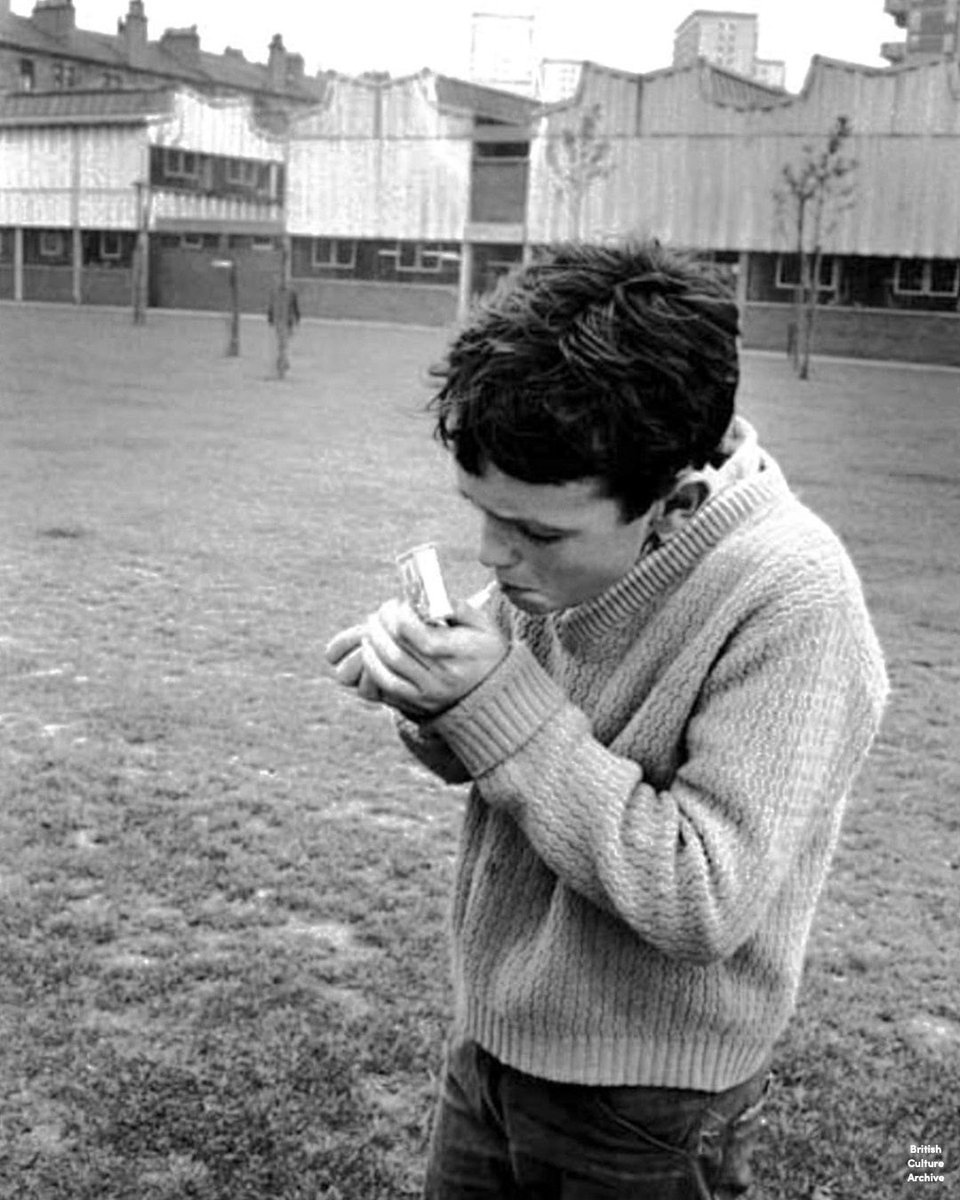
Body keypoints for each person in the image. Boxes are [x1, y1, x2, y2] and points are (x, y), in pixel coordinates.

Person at [324, 240, 888, 1199]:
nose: (496, 556)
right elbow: (495, 751)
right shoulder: (566, 560)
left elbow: (698, 894)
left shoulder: (795, 598)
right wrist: (431, 699)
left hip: (649, 1105)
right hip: (493, 1047)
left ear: (675, 502)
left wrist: (492, 698)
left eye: (538, 532)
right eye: (481, 511)